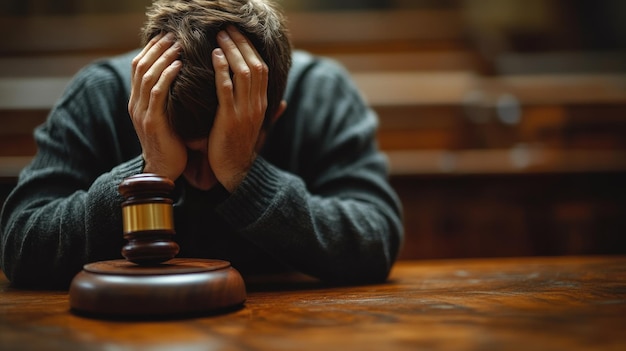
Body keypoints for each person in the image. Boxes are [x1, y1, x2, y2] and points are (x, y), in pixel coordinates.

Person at [0, 0, 403, 288]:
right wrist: (150, 170)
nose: (205, 181)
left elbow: (376, 239)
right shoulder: (100, 93)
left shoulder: (322, 91)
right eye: (190, 153)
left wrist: (246, 175)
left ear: (274, 115)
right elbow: (21, 248)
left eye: (224, 150)